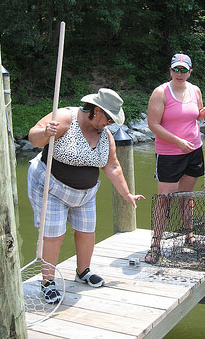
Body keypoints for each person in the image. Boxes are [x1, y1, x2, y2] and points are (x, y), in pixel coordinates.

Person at [28, 88, 145, 303]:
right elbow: (34, 137)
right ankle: (48, 281)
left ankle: (83, 271)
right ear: (97, 110)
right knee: (54, 234)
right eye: (108, 118)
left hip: (85, 194)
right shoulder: (65, 117)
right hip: (51, 186)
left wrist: (127, 194)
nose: (109, 123)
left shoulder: (105, 135)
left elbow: (113, 167)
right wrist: (45, 133)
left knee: (86, 231)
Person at [145, 53, 205, 263]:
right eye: (176, 69)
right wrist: (177, 141)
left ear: (190, 72)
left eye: (184, 70)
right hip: (169, 154)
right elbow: (153, 124)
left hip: (193, 151)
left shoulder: (195, 90)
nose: (179, 73)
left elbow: (196, 114)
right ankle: (155, 244)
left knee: (186, 197)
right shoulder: (160, 92)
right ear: (170, 70)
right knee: (164, 200)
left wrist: (203, 114)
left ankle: (189, 237)